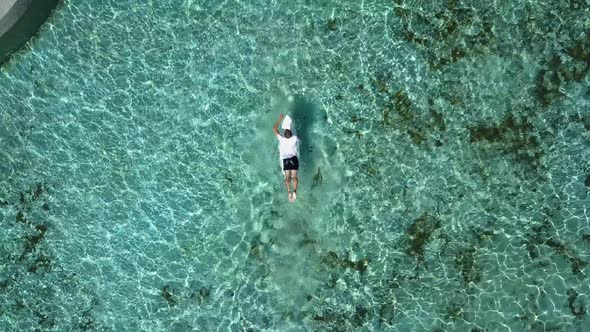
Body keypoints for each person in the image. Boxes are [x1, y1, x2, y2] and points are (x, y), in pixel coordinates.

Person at [273, 113, 299, 202]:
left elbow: (274, 129)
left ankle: (289, 192)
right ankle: (295, 191)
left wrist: (280, 118)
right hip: (294, 159)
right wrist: (289, 127)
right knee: (294, 176)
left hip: (286, 160)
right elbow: (291, 135)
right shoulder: (294, 138)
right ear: (291, 134)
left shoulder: (281, 139)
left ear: (284, 135)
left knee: (287, 176)